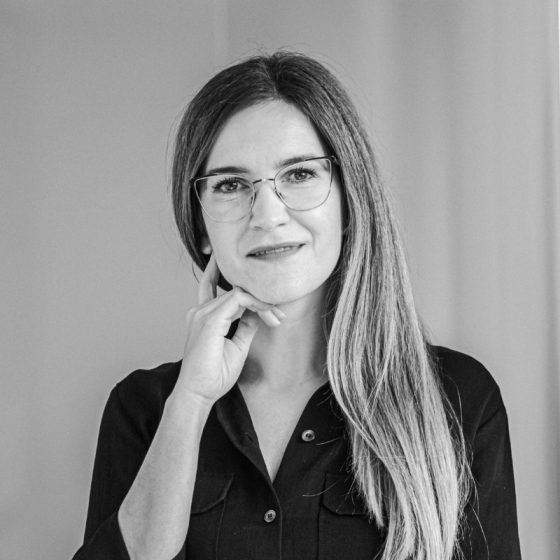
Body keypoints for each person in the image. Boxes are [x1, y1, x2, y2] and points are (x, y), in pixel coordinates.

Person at [72, 51, 521, 560]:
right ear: (201, 228)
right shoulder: (145, 410)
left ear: (349, 201)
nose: (268, 214)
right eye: (231, 185)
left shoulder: (457, 400)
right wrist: (190, 403)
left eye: (300, 174)